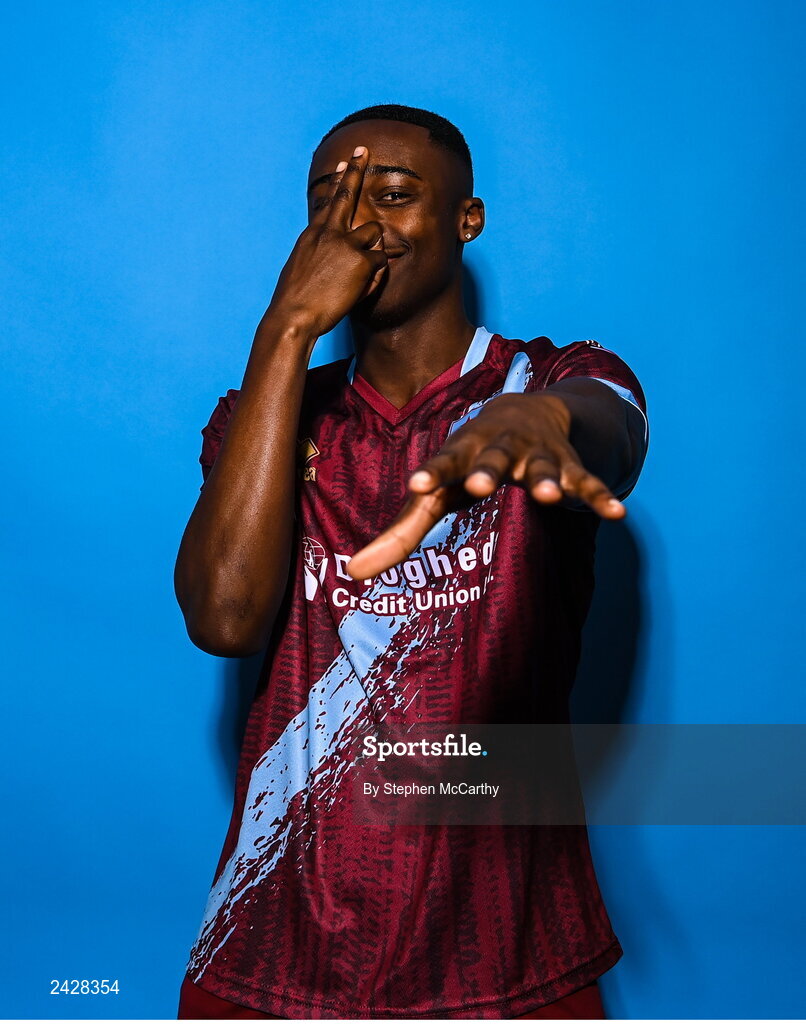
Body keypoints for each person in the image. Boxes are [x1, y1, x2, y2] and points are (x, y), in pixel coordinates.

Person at [174, 104, 648, 1020]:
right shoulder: (261, 419)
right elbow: (223, 620)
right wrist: (285, 331)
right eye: (331, 202)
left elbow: (614, 425)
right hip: (272, 950)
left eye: (393, 195)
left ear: (467, 221)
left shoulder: (553, 382)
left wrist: (544, 422)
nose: (359, 223)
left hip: (508, 951)